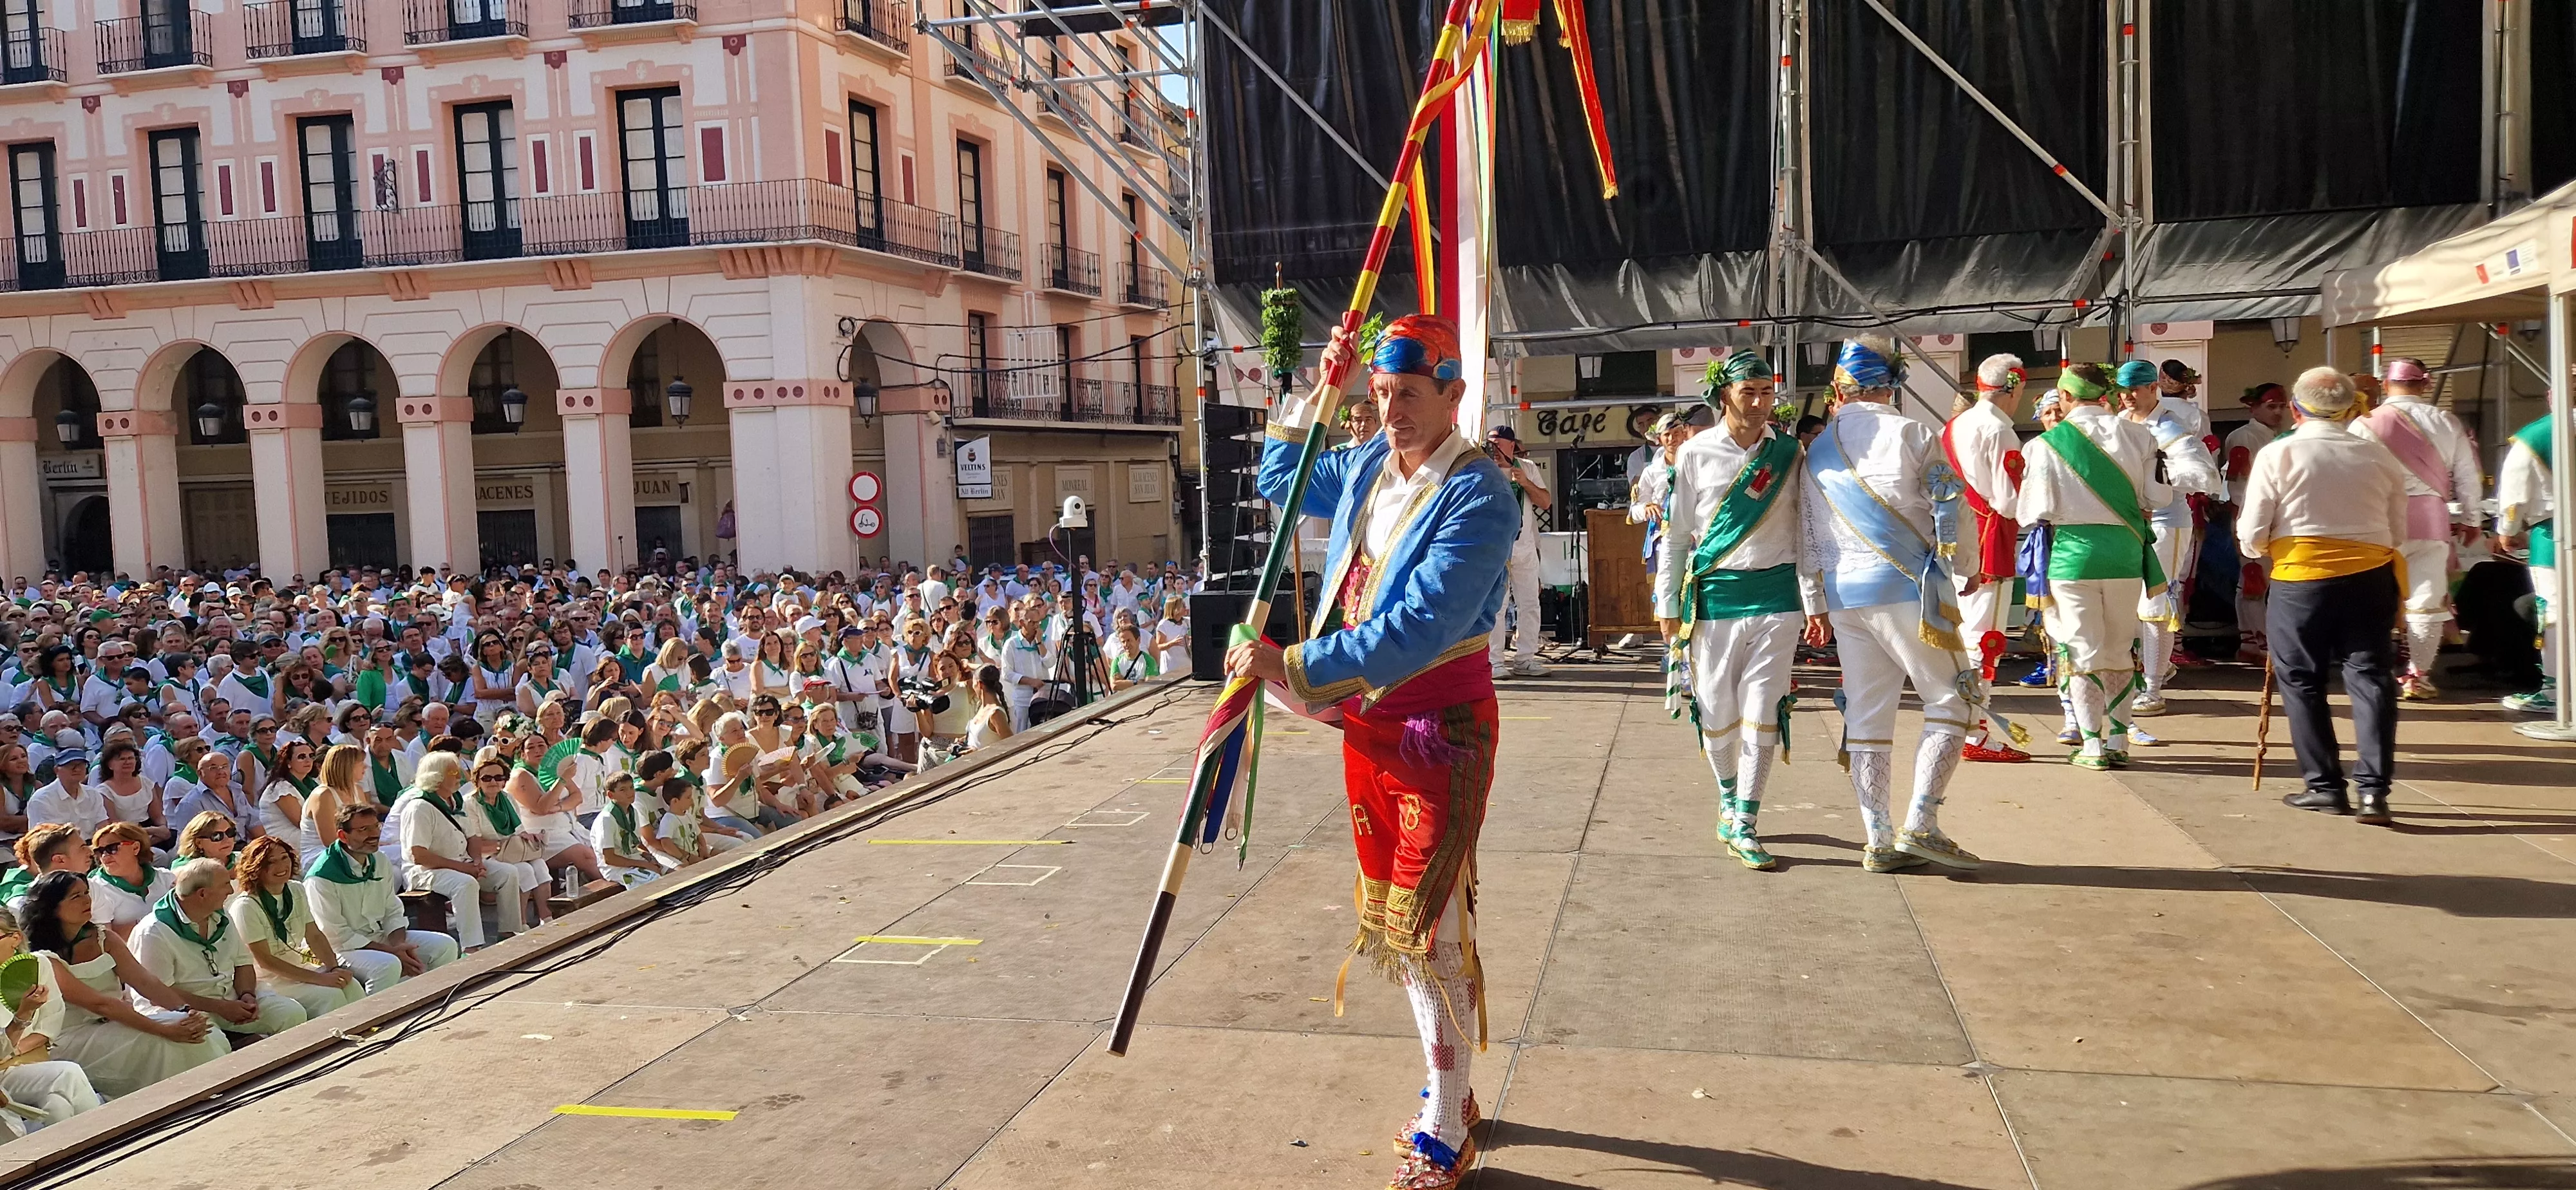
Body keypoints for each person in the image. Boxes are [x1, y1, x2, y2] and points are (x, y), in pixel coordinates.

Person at [1237, 313, 1516, 1189]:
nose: (1392, 411)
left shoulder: (1480, 493)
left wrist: (1294, 665)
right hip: (1366, 728)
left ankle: (1445, 1120)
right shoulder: (1365, 463)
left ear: (1454, 395)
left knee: (1429, 928)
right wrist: (1324, 383)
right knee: (1397, 924)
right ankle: (1453, 1087)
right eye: (1382, 395)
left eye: (1410, 395)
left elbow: (1421, 625)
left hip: (1440, 729)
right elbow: (1280, 478)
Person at [1798, 337, 1989, 873]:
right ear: (1891, 386)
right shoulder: (1911, 432)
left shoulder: (1819, 447)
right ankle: (1922, 824)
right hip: (1908, 589)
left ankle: (1878, 837)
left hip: (1844, 596)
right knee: (1954, 701)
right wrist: (1969, 566)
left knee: (1867, 713)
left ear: (1839, 388)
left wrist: (1815, 599)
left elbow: (1807, 530)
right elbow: (1952, 503)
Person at [1653, 349, 1808, 871]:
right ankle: (1727, 794)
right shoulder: (1695, 454)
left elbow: (1806, 530)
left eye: (1768, 392)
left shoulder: (1788, 453)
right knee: (1718, 712)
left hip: (1778, 595)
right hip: (1715, 597)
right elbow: (1675, 536)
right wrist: (1667, 599)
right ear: (1725, 396)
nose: (1761, 402)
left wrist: (1817, 599)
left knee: (1764, 709)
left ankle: (1746, 818)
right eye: (1750, 392)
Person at [2238, 368, 2409, 824]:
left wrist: (2259, 549)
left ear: (2296, 409)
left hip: (2301, 579)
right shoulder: (2378, 456)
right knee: (2372, 678)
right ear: (2351, 408)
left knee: (2302, 681)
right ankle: (2374, 792)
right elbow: (2399, 530)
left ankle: (2324, 786)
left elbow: (2252, 532)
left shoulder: (2280, 455)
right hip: (2371, 576)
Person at [2020, 363, 2170, 771]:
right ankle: (2120, 739)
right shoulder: (2140, 434)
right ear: (2104, 393)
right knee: (2121, 645)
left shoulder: (2044, 446)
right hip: (2125, 553)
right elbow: (2159, 496)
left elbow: (2033, 512)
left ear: (2066, 397)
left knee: (2083, 649)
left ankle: (2091, 746)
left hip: (2073, 556)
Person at [2349, 357, 2486, 701]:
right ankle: (2418, 675)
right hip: (2431, 518)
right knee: (2426, 599)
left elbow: (2350, 473)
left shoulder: (2365, 423)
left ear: (2385, 384)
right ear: (2425, 385)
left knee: (2375, 595)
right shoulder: (2447, 421)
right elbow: (2468, 476)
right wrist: (2472, 519)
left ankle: (2373, 670)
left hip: (2377, 518)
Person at [20, 870, 223, 1099]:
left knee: (203, 1032)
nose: (87, 900)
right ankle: (180, 1097)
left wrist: (185, 1012)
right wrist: (164, 1030)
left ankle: (211, 1090)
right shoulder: (42, 958)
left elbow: (145, 981)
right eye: (75, 897)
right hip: (73, 1039)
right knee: (162, 1042)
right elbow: (100, 1005)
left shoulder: (104, 938)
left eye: (86, 893)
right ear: (52, 907)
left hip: (117, 1022)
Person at [2116, 359, 2220, 720]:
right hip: (2129, 523)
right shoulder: (2120, 424)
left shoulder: (2171, 426)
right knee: (2126, 601)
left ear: (2152, 388)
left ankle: (2154, 689)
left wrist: (2154, 485)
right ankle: (2153, 666)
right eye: (2123, 390)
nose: (2128, 397)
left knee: (2155, 605)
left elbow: (2201, 475)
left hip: (2166, 522)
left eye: (2135, 389)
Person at [1943, 352, 2032, 762]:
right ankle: (1975, 732)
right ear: (2012, 386)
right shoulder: (2001, 431)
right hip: (1989, 538)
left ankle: (1962, 724)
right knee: (1985, 638)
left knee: (1963, 636)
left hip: (1955, 537)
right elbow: (2010, 500)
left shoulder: (1955, 425)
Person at [128, 856, 308, 1039]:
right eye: (225, 885)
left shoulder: (220, 914)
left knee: (291, 1013)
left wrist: (247, 994)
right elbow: (160, 993)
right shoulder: (154, 932)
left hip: (232, 999)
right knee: (213, 1041)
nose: (231, 890)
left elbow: (243, 963)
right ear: (203, 894)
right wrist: (220, 1008)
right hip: (184, 1009)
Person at [305, 802, 457, 994]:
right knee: (387, 965)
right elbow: (337, 935)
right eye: (364, 830)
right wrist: (391, 952)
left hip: (380, 938)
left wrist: (399, 945)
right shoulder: (322, 876)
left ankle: (434, 1002)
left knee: (445, 946)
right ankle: (374, 1020)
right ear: (343, 836)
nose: (374, 834)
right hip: (342, 950)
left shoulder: (379, 860)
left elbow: (392, 910)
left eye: (376, 826)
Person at [225, 835, 365, 1024]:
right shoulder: (246, 906)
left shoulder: (296, 889)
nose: (281, 866)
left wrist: (334, 968)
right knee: (330, 996)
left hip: (300, 967)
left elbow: (314, 935)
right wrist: (320, 979)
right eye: (271, 862)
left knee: (351, 985)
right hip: (270, 980)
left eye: (284, 858)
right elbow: (266, 961)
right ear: (256, 868)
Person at [398, 752, 524, 951]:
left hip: (460, 863)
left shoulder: (455, 801)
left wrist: (476, 862)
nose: (460, 777)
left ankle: (508, 933)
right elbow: (419, 855)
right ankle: (471, 948)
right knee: (466, 884)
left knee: (508, 873)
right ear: (437, 775)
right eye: (454, 772)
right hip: (425, 871)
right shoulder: (419, 807)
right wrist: (464, 869)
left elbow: (472, 837)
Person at [0, 903, 104, 1134]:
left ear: (15, 938)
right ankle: (107, 1134)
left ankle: (75, 1159)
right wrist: (22, 1017)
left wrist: (13, 1051)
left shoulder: (39, 966)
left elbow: (50, 1025)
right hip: (4, 1073)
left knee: (59, 1104)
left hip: (31, 1062)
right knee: (68, 1073)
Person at [2223, 382, 2293, 661]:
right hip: (2251, 516)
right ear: (2254, 407)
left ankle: (2250, 641)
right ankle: (2263, 643)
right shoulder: (2244, 437)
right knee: (2255, 580)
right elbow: (2239, 486)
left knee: (2250, 582)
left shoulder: (2277, 437)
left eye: (2281, 407)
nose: (2278, 412)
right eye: (2271, 406)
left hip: (2266, 516)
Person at [2498, 410, 2557, 715]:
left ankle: (2555, 689)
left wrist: (2507, 531)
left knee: (2555, 614)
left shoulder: (2535, 436)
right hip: (2552, 531)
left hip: (2554, 536)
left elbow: (2514, 492)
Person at [1484, 424, 1555, 678]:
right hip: (1495, 547)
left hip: (1523, 545)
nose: (1493, 447)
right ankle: (1495, 661)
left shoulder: (1528, 468)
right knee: (1497, 606)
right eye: (1490, 442)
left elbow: (1545, 502)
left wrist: (1525, 483)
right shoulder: (1483, 468)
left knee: (1529, 603)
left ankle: (1525, 658)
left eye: (1498, 442)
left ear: (1511, 445)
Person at [85, 822, 173, 939]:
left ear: (136, 848)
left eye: (112, 848)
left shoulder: (166, 879)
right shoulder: (96, 889)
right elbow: (104, 939)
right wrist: (159, 920)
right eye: (100, 851)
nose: (104, 856)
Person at [24, 748, 104, 839]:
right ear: (56, 770)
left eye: (81, 765)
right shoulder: (42, 799)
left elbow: (102, 825)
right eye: (71, 765)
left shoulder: (93, 794)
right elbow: (44, 839)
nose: (77, 769)